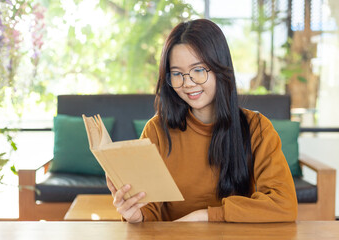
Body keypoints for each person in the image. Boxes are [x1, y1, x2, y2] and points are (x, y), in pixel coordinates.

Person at [106, 18, 298, 223]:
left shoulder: (256, 128)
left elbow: (283, 204)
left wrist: (206, 216)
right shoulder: (156, 131)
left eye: (198, 70)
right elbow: (150, 210)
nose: (188, 83)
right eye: (177, 74)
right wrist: (136, 215)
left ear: (220, 68)